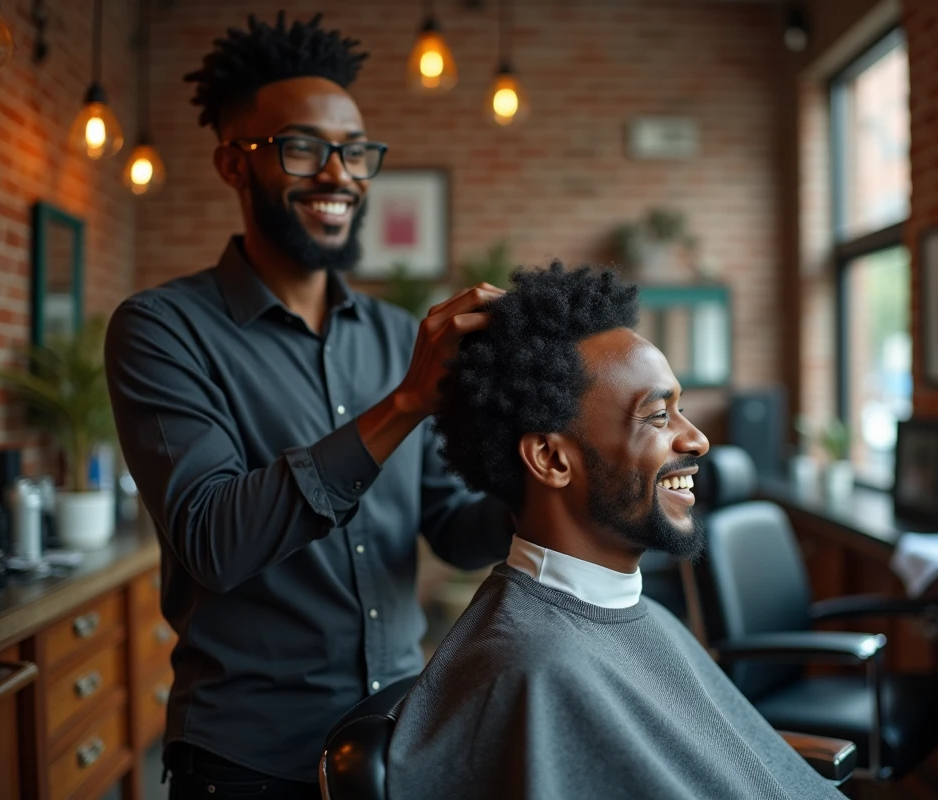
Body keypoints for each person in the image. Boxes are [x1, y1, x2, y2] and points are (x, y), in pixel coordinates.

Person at [104, 12, 512, 799]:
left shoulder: (397, 336)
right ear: (233, 163)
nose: (339, 175)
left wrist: (561, 484)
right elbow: (213, 539)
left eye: (355, 152)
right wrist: (404, 404)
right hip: (245, 763)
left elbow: (455, 529)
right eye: (303, 148)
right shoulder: (161, 330)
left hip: (397, 740)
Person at [386, 263, 845, 800]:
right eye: (656, 417)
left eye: (681, 409)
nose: (696, 439)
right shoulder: (536, 670)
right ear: (552, 458)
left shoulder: (634, 615)